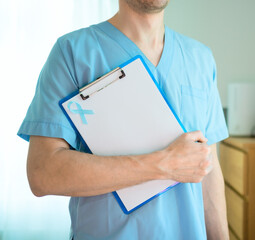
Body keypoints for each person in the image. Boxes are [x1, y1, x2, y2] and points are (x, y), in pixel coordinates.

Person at [18, 0, 229, 239]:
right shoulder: (72, 52)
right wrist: (165, 164)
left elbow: (208, 169)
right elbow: (42, 173)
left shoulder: (200, 59)